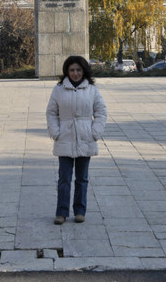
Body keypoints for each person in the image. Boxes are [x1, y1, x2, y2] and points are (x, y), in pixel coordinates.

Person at [46, 55, 107, 225]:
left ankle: (80, 211)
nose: (75, 73)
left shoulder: (92, 90)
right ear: (67, 71)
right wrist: (55, 131)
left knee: (82, 178)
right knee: (64, 178)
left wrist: (94, 132)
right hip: (65, 136)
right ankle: (61, 212)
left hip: (85, 136)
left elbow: (101, 112)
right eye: (72, 70)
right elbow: (51, 112)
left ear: (84, 71)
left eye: (78, 70)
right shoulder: (58, 89)